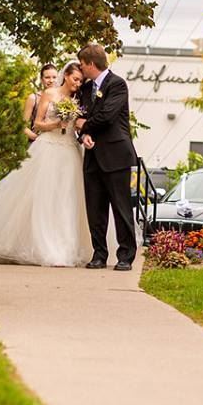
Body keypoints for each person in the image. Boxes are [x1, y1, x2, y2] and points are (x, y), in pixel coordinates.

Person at [0, 62, 92, 266]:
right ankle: (42, 245)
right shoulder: (48, 94)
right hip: (48, 146)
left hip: (69, 150)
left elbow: (79, 125)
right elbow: (37, 123)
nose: (78, 83)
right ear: (66, 75)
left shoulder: (78, 99)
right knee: (42, 196)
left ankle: (65, 246)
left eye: (81, 81)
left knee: (67, 198)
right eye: (75, 79)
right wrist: (57, 124)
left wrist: (78, 127)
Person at [74, 44, 138, 271]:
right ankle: (99, 254)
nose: (80, 69)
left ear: (91, 64)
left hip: (116, 155)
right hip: (92, 156)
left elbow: (107, 116)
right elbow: (78, 115)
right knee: (95, 209)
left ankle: (125, 256)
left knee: (121, 208)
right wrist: (83, 135)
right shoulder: (85, 89)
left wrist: (84, 126)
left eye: (82, 65)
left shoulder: (117, 84)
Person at [22, 64, 58, 144]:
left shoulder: (63, 98)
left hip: (57, 141)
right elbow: (22, 126)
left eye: (54, 77)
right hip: (37, 142)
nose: (51, 80)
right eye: (47, 77)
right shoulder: (33, 98)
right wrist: (37, 138)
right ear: (41, 79)